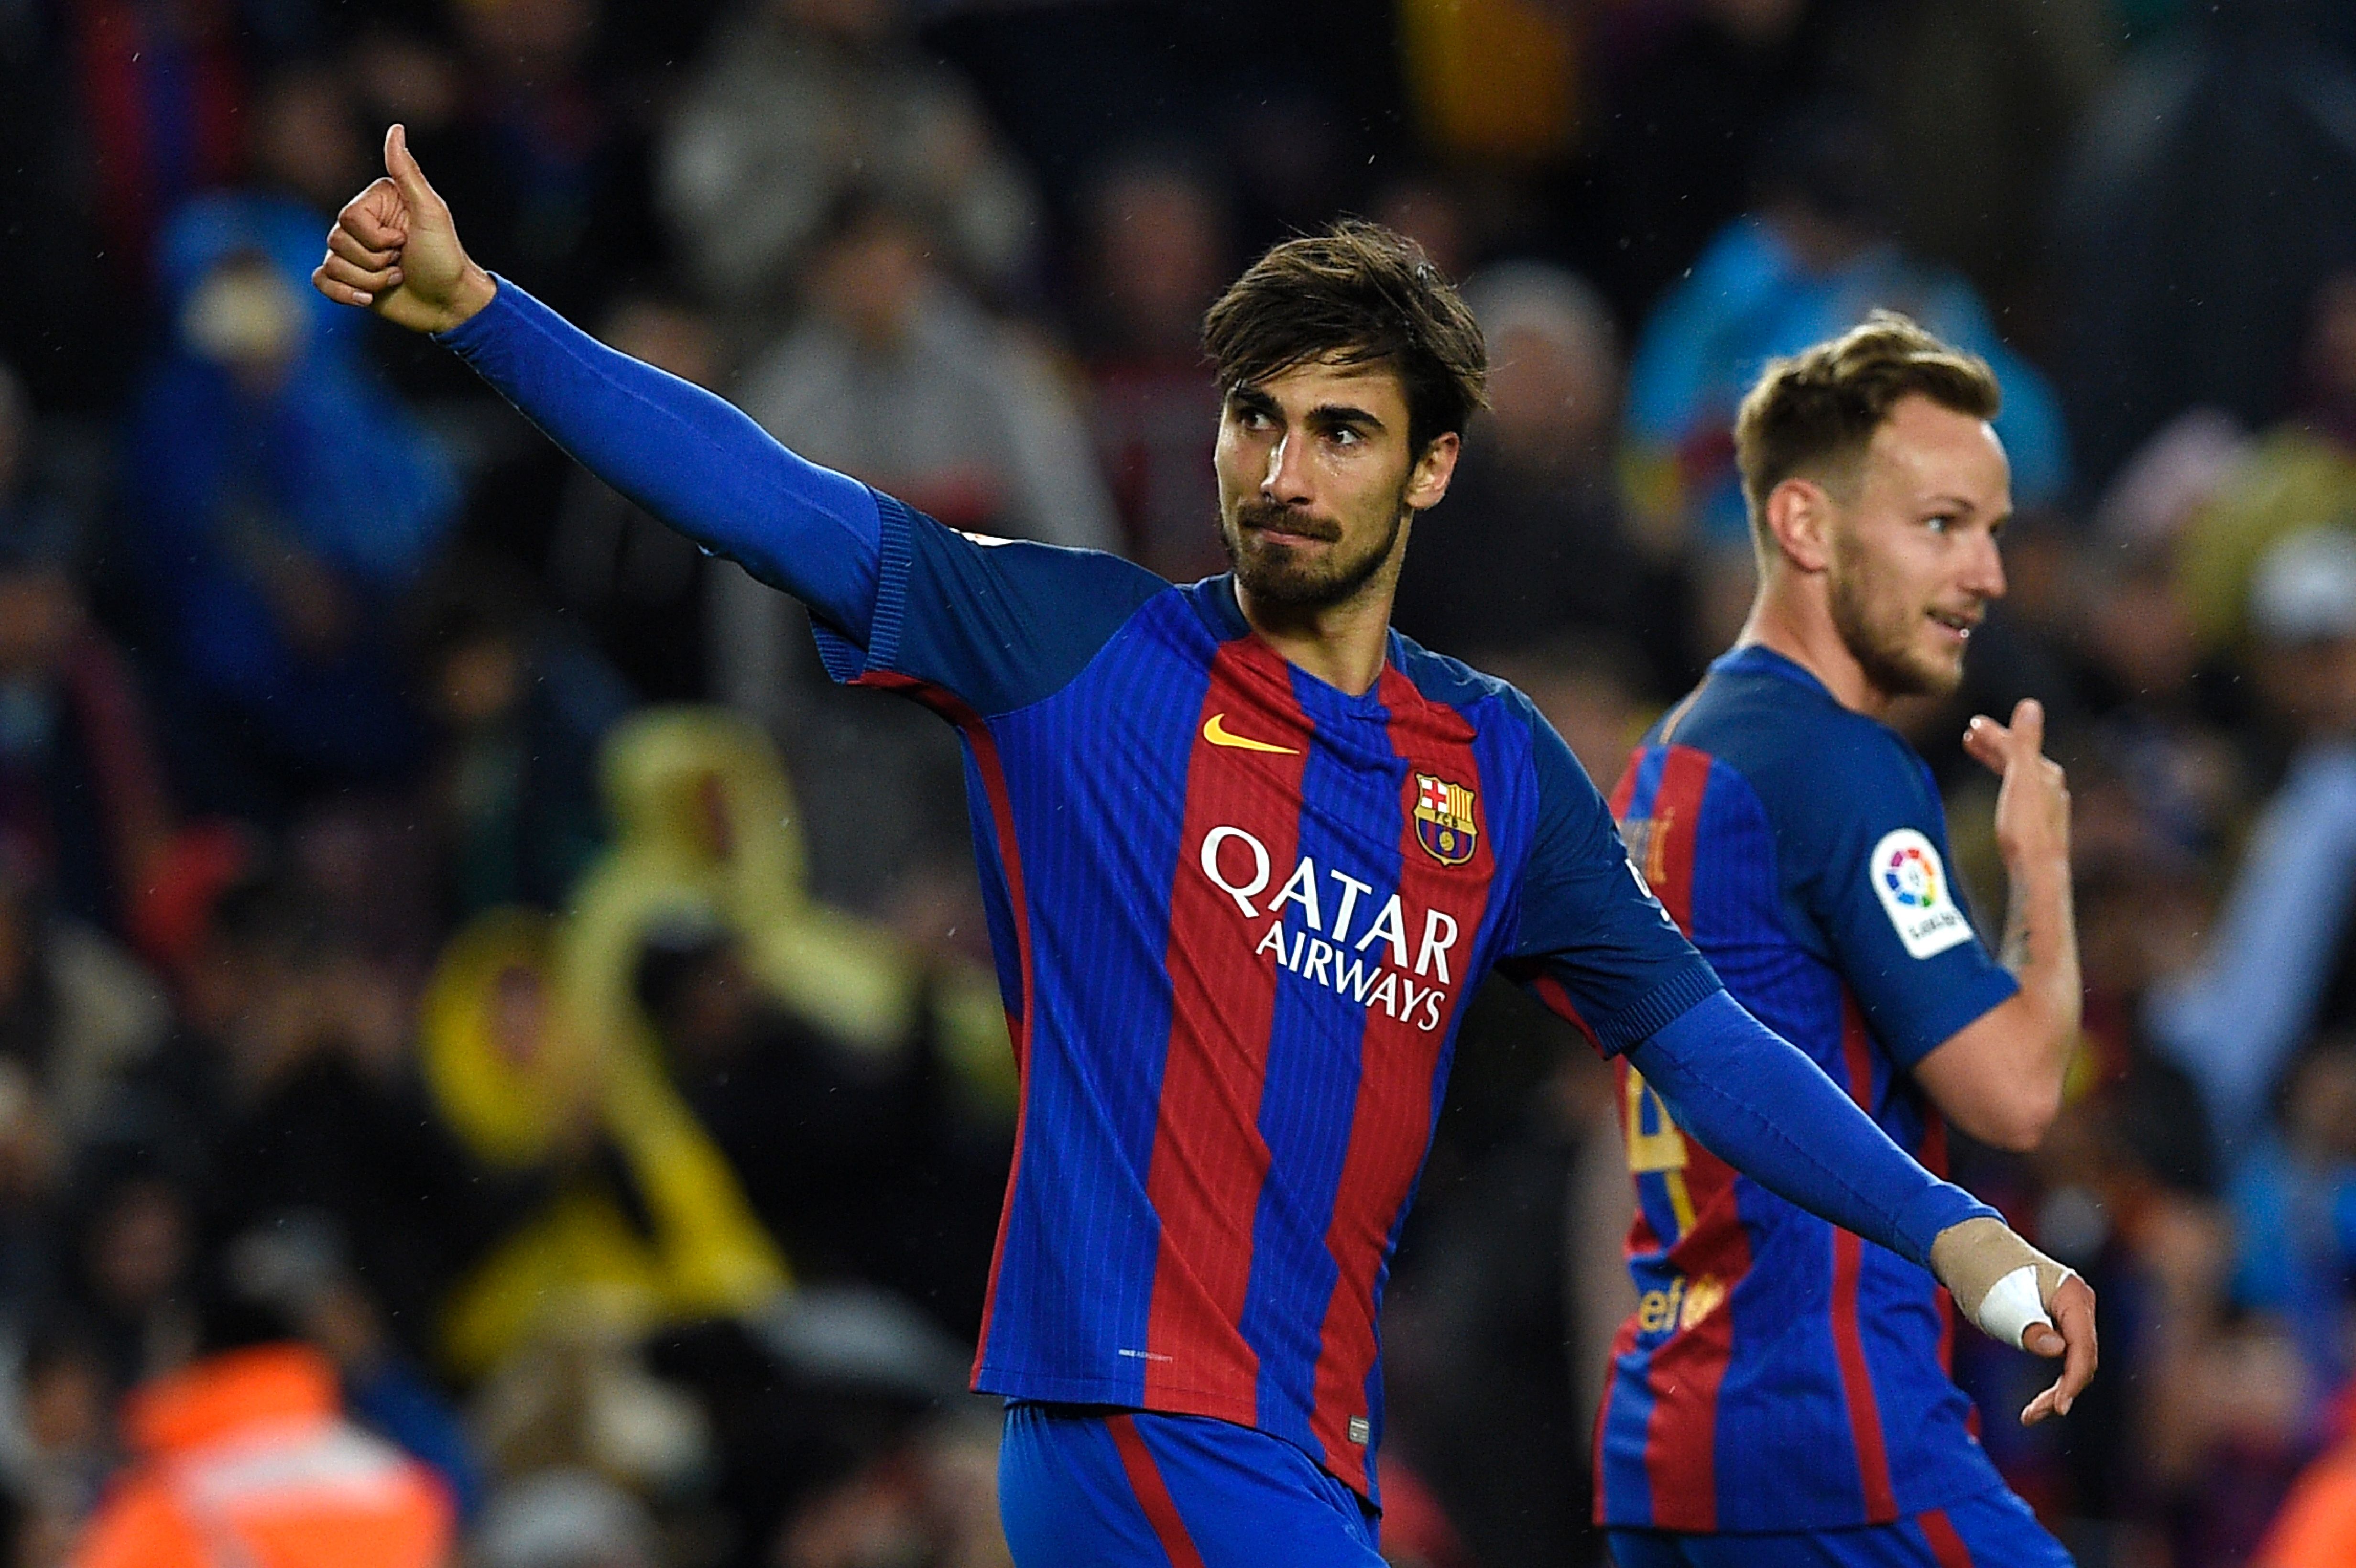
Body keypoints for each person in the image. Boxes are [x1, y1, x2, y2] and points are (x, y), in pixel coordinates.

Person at [312, 127, 2095, 1567]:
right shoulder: (1075, 652)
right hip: (1131, 1426)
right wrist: (481, 311)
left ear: (1434, 471)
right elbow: (765, 498)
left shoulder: (1494, 765)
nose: (1287, 472)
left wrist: (1953, 1234)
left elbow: (1701, 1044)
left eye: (1343, 431)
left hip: (1305, 1449)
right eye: (1261, 418)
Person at [1598, 314, 2083, 1566]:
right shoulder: (1840, 767)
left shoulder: (1673, 757)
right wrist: (2040, 874)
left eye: (1993, 528)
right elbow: (2017, 1093)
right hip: (1837, 1444)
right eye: (1940, 525)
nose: (1987, 575)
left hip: (1676, 1442)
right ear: (1806, 528)